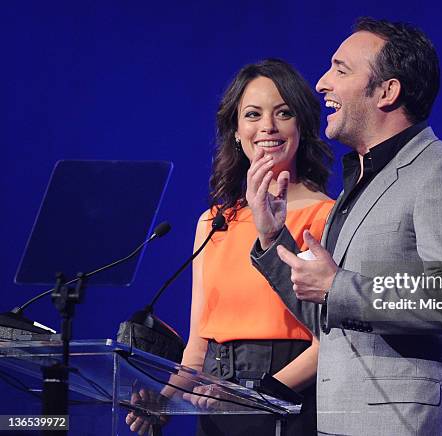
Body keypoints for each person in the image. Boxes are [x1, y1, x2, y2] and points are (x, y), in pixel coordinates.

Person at [249, 18, 442, 435]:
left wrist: (339, 286)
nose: (322, 83)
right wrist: (273, 236)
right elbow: (329, 314)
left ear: (387, 91)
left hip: (409, 425)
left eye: (341, 70)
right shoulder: (359, 184)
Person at [127, 59, 334, 435]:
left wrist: (254, 396)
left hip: (292, 404)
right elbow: (197, 349)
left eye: (283, 113)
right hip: (217, 402)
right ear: (236, 132)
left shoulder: (329, 217)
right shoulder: (213, 222)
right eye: (252, 114)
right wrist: (164, 401)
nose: (267, 127)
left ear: (301, 125)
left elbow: (332, 343)